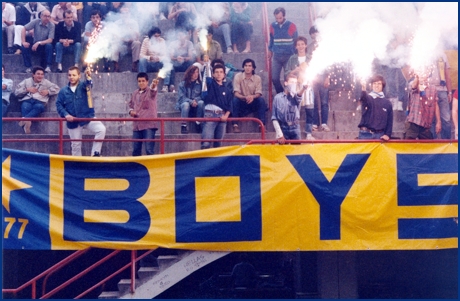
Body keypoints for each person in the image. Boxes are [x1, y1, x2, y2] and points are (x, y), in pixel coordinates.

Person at [56, 66, 106, 156]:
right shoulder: (63, 91)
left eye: (74, 75)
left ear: (79, 76)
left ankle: (95, 154)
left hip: (87, 117)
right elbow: (58, 105)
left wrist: (88, 76)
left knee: (101, 129)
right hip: (73, 121)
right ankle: (77, 165)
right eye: (69, 75)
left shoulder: (83, 86)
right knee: (76, 145)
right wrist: (66, 115)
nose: (71, 77)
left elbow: (89, 84)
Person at [285, 36, 315, 140]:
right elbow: (286, 73)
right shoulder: (292, 58)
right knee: (294, 110)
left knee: (309, 110)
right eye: (298, 45)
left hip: (308, 86)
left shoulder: (310, 57)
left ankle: (309, 133)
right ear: (296, 46)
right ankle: (293, 132)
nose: (300, 46)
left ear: (306, 45)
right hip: (295, 86)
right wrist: (294, 71)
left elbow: (316, 71)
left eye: (302, 44)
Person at [14, 66, 60, 134]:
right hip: (27, 100)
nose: (40, 76)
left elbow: (57, 88)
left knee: (39, 107)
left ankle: (24, 120)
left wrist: (48, 91)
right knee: (25, 105)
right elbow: (16, 92)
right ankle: (27, 123)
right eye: (38, 74)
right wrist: (27, 90)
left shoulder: (46, 82)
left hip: (39, 101)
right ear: (33, 74)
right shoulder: (26, 81)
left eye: (42, 74)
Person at [201, 64, 232, 149]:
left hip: (222, 117)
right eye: (216, 72)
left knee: (218, 145)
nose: (219, 74)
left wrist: (226, 116)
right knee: (206, 144)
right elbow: (207, 76)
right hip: (210, 115)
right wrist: (207, 63)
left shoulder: (227, 90)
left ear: (224, 74)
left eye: (221, 72)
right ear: (213, 74)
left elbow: (230, 105)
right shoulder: (210, 84)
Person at [232, 58, 267, 133]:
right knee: (234, 100)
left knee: (261, 100)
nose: (247, 68)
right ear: (243, 67)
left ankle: (262, 126)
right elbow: (236, 93)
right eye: (246, 66)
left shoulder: (257, 78)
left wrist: (252, 97)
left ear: (253, 68)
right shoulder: (238, 76)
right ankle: (235, 125)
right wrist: (245, 97)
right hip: (242, 102)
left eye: (250, 66)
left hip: (253, 102)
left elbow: (258, 93)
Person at [268, 7, 298, 94]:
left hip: (288, 56)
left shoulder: (292, 25)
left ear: (284, 16)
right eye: (276, 18)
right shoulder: (272, 26)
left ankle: (287, 95)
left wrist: (295, 54)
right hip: (276, 56)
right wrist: (270, 50)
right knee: (274, 78)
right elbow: (271, 39)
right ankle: (281, 94)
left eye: (280, 18)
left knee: (287, 78)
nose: (278, 20)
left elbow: (296, 40)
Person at [271, 73, 307, 144]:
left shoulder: (295, 96)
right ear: (286, 83)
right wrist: (279, 134)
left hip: (295, 127)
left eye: (295, 83)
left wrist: (303, 88)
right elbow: (274, 117)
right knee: (282, 152)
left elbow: (299, 95)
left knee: (297, 152)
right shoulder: (277, 98)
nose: (293, 85)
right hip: (283, 127)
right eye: (292, 82)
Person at [128, 72, 158, 156]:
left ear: (147, 82)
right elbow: (130, 105)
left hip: (149, 125)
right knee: (136, 150)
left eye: (143, 81)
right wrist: (131, 111)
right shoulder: (135, 93)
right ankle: (137, 169)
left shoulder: (150, 92)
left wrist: (154, 85)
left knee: (149, 150)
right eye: (139, 81)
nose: (141, 83)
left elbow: (153, 90)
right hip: (137, 125)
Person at [404, 72, 440, 140]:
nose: (423, 74)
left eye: (424, 72)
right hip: (413, 124)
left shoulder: (433, 88)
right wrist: (417, 77)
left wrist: (438, 121)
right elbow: (413, 86)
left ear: (428, 74)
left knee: (428, 148)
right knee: (408, 148)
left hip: (425, 125)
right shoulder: (413, 84)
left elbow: (435, 104)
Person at [357, 75, 393, 140]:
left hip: (380, 135)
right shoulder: (368, 98)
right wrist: (363, 88)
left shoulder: (387, 103)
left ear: (383, 86)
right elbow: (364, 98)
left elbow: (390, 120)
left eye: (379, 84)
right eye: (374, 83)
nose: (376, 85)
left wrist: (387, 134)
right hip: (365, 134)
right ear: (371, 85)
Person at [428, 55, 453, 139]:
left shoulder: (443, 56)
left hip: (442, 89)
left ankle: (446, 143)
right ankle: (432, 142)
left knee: (446, 118)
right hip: (429, 90)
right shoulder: (424, 52)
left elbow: (447, 76)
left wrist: (449, 92)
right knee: (430, 119)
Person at [112, 5, 141, 72]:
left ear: (129, 14)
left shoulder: (134, 23)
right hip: (121, 45)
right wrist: (123, 39)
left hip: (131, 45)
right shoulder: (116, 23)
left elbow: (136, 36)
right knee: (114, 44)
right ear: (120, 14)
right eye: (123, 13)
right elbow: (114, 37)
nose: (125, 15)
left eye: (126, 13)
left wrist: (128, 27)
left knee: (137, 43)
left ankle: (134, 65)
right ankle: (116, 66)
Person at [176, 65, 203, 134]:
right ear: (190, 73)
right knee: (186, 104)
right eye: (193, 72)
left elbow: (202, 95)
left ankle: (198, 123)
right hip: (185, 104)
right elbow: (182, 97)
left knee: (201, 103)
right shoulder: (182, 84)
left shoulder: (200, 84)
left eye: (197, 72)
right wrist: (191, 102)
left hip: (196, 104)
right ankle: (184, 125)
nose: (195, 74)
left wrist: (196, 100)